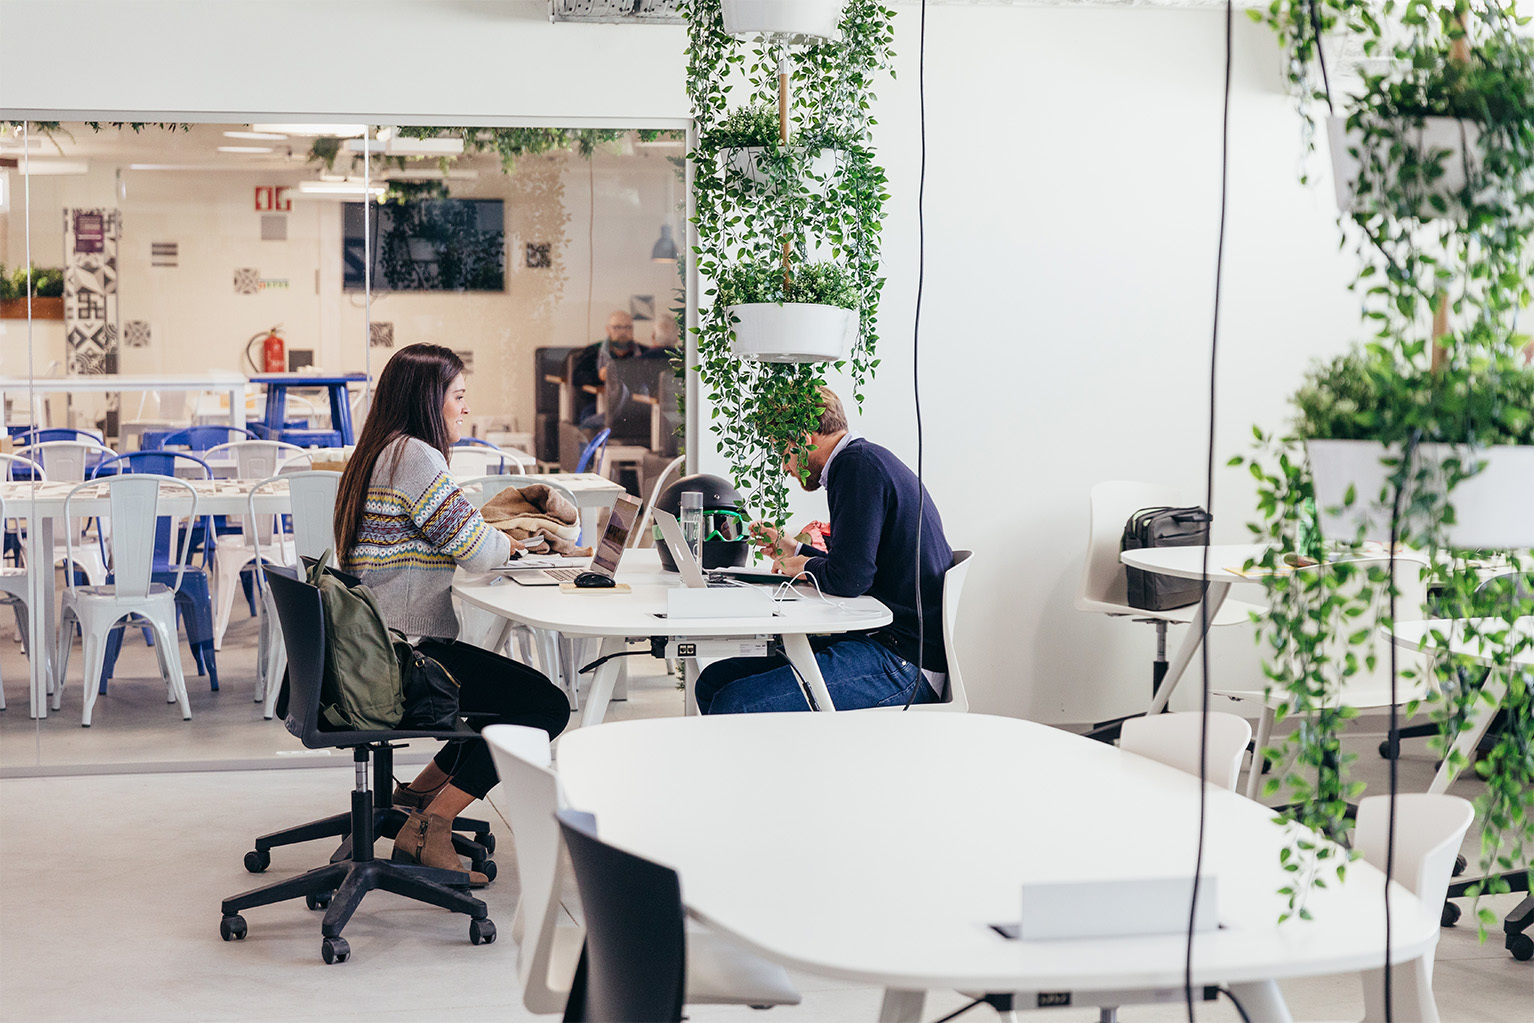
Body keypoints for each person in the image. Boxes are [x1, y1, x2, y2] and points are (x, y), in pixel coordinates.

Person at [333, 342, 570, 883]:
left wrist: (489, 534)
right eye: (457, 397)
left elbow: (451, 532)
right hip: (405, 656)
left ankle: (415, 795)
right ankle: (431, 824)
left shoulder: (378, 451)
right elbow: (480, 553)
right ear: (427, 400)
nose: (465, 408)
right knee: (542, 708)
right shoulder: (415, 456)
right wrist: (517, 543)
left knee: (498, 697)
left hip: (373, 650)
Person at [694, 386, 954, 714]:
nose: (784, 467)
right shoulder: (861, 462)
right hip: (883, 643)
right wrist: (795, 549)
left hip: (905, 663)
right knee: (715, 680)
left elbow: (850, 580)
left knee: (736, 701)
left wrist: (801, 565)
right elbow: (856, 567)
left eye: (781, 449)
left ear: (804, 437)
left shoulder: (857, 467)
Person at [573, 310, 665, 429]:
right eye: (617, 328)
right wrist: (598, 376)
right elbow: (576, 377)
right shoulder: (593, 352)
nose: (623, 332)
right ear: (608, 329)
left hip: (638, 406)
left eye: (628, 328)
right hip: (599, 405)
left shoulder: (645, 353)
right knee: (587, 419)